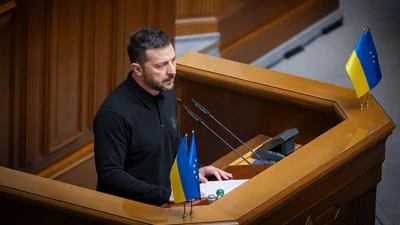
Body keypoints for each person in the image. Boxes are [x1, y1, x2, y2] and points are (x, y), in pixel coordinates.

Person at [93, 26, 232, 206]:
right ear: (137, 69)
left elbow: (172, 143)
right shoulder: (113, 114)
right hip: (129, 211)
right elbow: (110, 175)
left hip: (165, 204)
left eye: (172, 60)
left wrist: (194, 171)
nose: (172, 70)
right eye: (161, 65)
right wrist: (164, 195)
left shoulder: (167, 95)